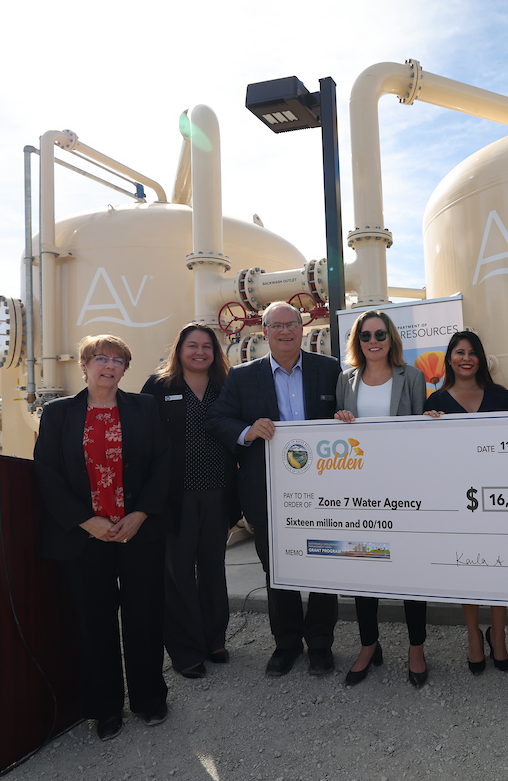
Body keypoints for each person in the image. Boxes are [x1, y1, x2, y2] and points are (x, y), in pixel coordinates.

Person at [34, 334, 170, 741]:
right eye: (99, 358)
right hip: (84, 536)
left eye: (117, 360)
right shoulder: (59, 413)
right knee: (95, 622)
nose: (108, 365)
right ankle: (104, 706)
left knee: (144, 617)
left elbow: (162, 463)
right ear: (84, 365)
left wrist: (140, 514)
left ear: (125, 369)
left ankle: (149, 698)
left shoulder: (144, 407)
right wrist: (84, 521)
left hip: (137, 531)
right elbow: (47, 472)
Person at [206, 302, 341, 678]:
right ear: (263, 332)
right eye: (276, 325)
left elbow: (348, 413)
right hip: (266, 491)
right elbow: (218, 419)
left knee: (322, 567)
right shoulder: (243, 376)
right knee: (277, 570)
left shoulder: (328, 369)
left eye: (292, 324)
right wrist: (248, 432)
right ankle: (286, 644)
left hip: (323, 490)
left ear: (302, 328)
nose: (285, 331)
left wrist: (344, 419)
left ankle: (320, 645)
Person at [334, 309, 431, 688]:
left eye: (380, 335)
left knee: (410, 566)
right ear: (357, 342)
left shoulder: (414, 377)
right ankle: (369, 644)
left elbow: (421, 430)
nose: (373, 342)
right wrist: (338, 418)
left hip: (403, 488)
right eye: (365, 336)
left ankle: (416, 647)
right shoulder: (345, 380)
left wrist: (431, 418)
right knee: (363, 567)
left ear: (391, 339)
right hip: (359, 490)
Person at [142, 323, 238, 681]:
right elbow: (143, 436)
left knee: (213, 568)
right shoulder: (159, 386)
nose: (200, 352)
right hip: (175, 497)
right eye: (192, 346)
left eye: (207, 347)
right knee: (179, 573)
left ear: (216, 352)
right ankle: (186, 651)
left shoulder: (226, 385)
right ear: (179, 349)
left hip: (218, 492)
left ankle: (215, 640)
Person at [424, 330, 508, 674]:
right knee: (468, 567)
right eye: (459, 352)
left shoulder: (502, 398)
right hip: (456, 498)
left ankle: (499, 636)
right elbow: (431, 458)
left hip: (498, 496)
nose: (466, 358)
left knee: (498, 568)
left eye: (472, 352)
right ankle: (473, 638)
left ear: (480, 358)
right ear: (449, 358)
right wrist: (427, 430)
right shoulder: (434, 402)